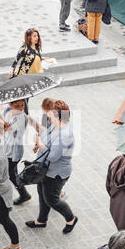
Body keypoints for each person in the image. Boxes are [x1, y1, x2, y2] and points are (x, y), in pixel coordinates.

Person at [25, 100, 78, 234]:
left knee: (52, 200)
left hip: (56, 174)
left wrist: (40, 144)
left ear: (57, 116)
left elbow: (53, 156)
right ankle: (41, 220)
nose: (48, 117)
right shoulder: (57, 124)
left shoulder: (65, 134)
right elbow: (46, 135)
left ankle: (71, 219)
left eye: (50, 115)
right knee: (42, 194)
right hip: (45, 170)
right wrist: (39, 142)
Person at [0, 100, 32, 205]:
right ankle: (24, 194)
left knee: (0, 176)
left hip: (13, 152)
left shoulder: (22, 117)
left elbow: (5, 127)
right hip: (5, 149)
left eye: (22, 105)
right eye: (17, 106)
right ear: (10, 104)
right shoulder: (8, 111)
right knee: (11, 174)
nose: (20, 108)